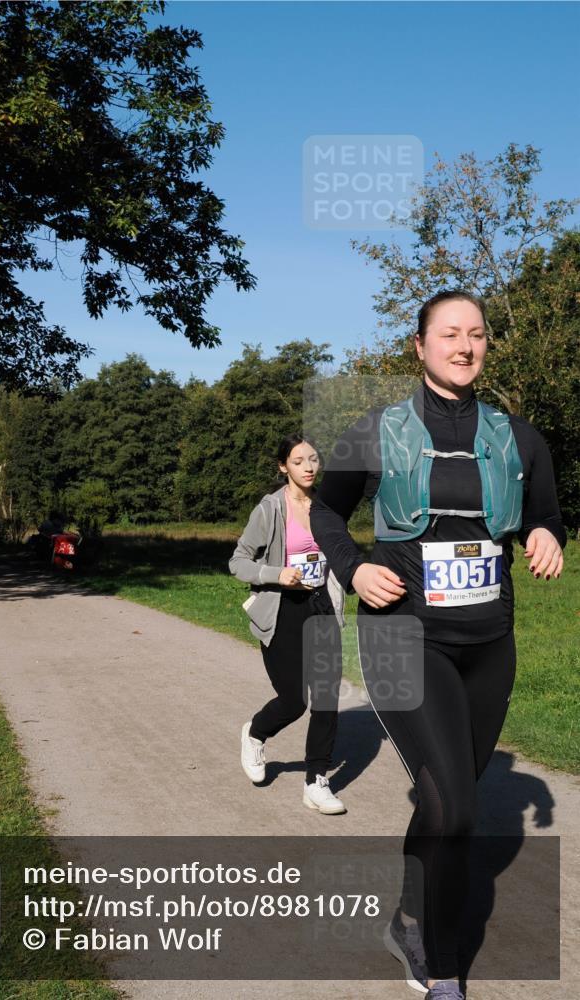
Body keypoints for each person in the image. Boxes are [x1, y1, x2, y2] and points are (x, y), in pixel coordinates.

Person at [310, 290, 566, 1000]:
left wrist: (547, 533)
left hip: (488, 641)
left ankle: (409, 914)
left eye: (476, 335)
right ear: (419, 346)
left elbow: (546, 513)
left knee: (443, 799)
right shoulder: (376, 430)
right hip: (402, 633)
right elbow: (327, 510)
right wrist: (356, 566)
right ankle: (443, 963)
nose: (464, 345)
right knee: (454, 808)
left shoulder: (518, 438)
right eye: (448, 334)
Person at [229, 433, 347, 815]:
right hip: (283, 611)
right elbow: (238, 562)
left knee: (327, 698)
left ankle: (316, 781)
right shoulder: (269, 509)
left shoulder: (328, 506)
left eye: (313, 459)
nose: (309, 467)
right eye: (299, 461)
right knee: (295, 701)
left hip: (322, 605)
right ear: (284, 467)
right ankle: (256, 733)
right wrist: (276, 573)